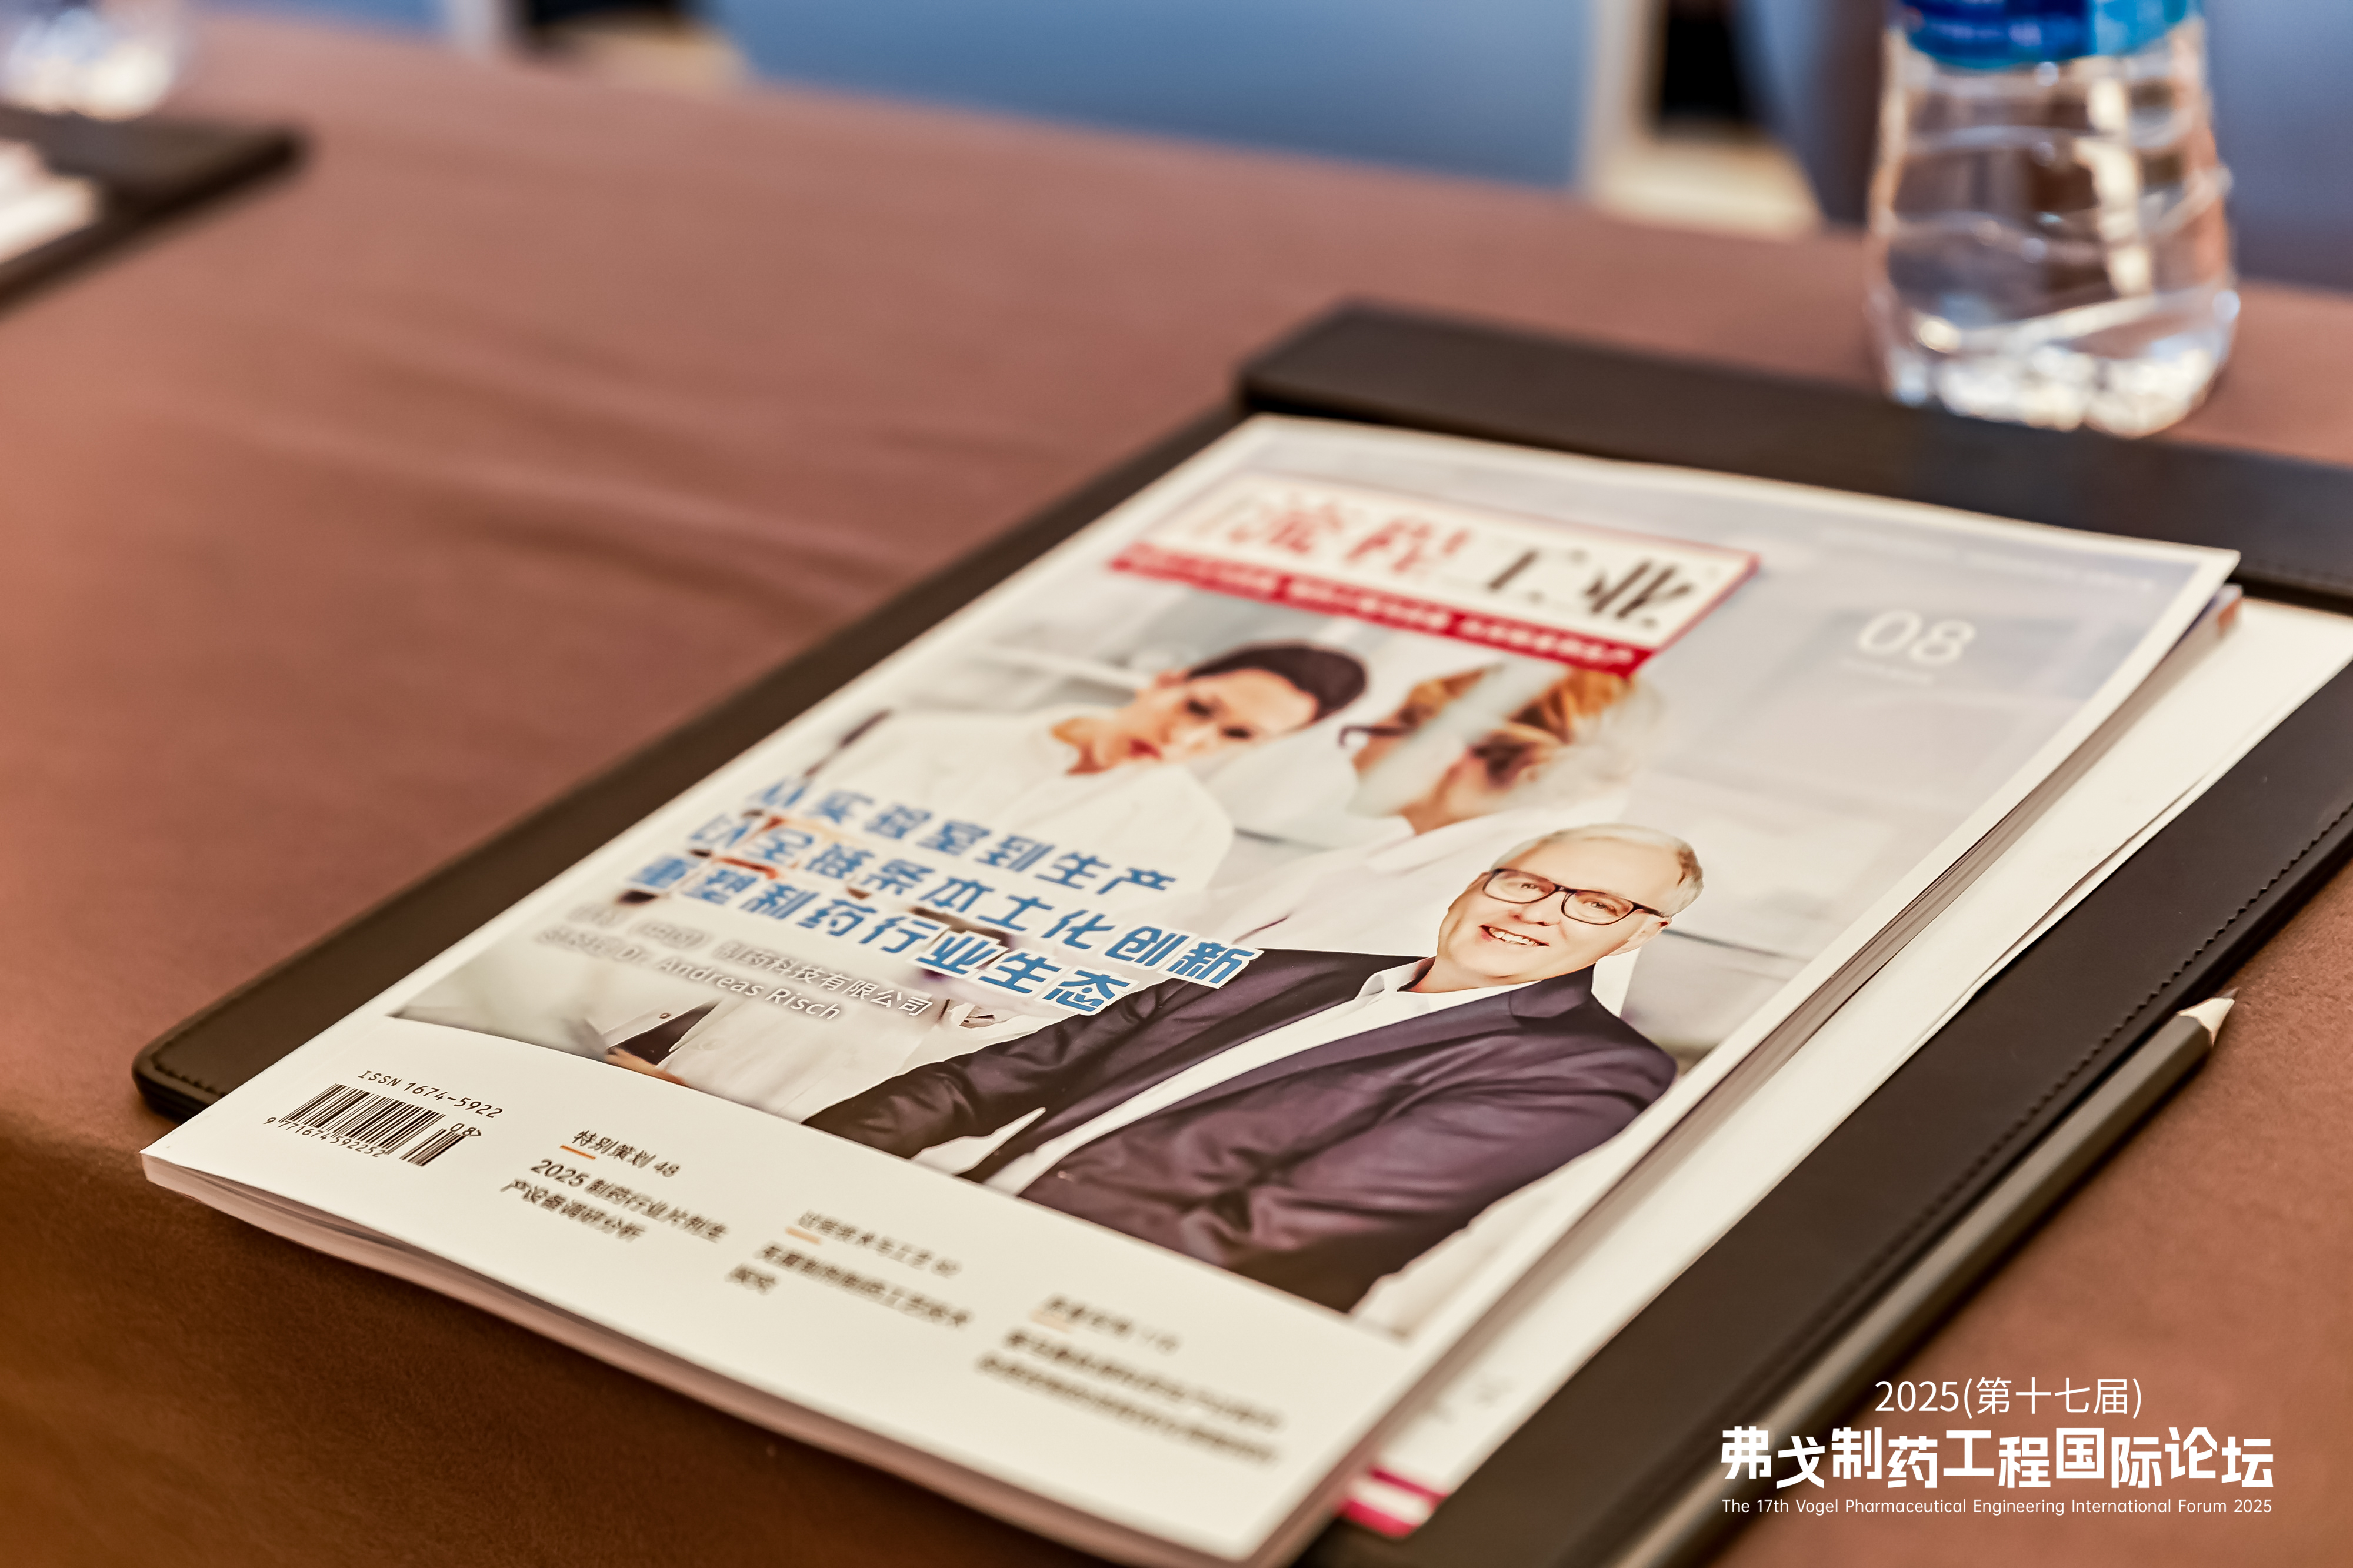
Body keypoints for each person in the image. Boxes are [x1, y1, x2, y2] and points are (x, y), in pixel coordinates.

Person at [806, 825, 1699, 1312]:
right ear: (1478, 882)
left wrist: (969, 1260)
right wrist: (808, 1168)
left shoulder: (1591, 1068)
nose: (1540, 912)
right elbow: (978, 1083)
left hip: (1111, 1316)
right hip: (935, 1246)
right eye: (1527, 882)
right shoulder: (1275, 970)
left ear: (1640, 933)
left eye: (1595, 904)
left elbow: (1275, 1231)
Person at [1187, 664, 1663, 989]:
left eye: (1377, 732)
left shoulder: (1454, 903)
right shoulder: (1430, 859)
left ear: (1441, 748)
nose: (1358, 753)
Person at [775, 640, 1369, 900]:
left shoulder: (1189, 836)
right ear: (1166, 682)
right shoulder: (924, 736)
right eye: (1197, 707)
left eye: (1236, 735)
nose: (1185, 739)